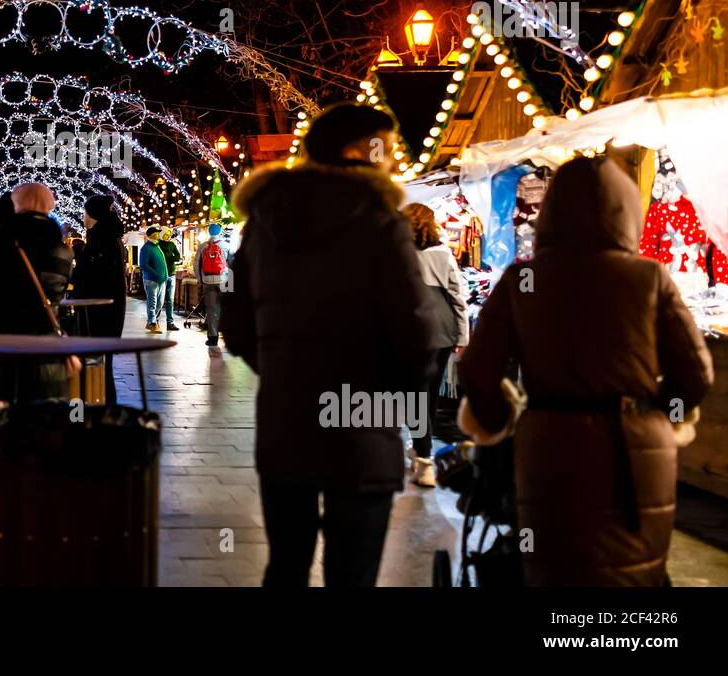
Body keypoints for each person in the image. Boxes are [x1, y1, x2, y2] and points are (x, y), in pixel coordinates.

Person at [458, 156, 713, 586]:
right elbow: (695, 375)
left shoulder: (525, 280)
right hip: (637, 454)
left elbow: (479, 370)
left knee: (554, 569)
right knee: (634, 574)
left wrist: (500, 419)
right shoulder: (648, 278)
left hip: (550, 449)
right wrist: (660, 416)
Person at [221, 103, 431, 587]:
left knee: (287, 564)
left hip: (285, 415)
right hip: (363, 417)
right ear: (356, 150)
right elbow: (414, 328)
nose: (394, 158)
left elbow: (236, 320)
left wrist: (280, 369)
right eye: (387, 145)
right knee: (352, 572)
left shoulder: (263, 221)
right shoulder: (380, 218)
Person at [0, 183, 76, 404]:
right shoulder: (64, 251)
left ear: (16, 205)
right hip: (45, 345)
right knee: (42, 422)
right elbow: (58, 294)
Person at [400, 203, 469, 488]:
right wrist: (463, 337)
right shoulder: (443, 254)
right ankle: (421, 451)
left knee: (414, 392)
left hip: (408, 328)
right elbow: (457, 296)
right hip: (441, 328)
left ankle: (424, 457)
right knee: (428, 392)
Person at [71, 194, 128, 401]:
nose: (83, 217)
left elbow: (89, 276)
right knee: (103, 364)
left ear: (92, 214)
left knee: (97, 364)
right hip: (109, 311)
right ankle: (104, 408)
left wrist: (79, 254)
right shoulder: (109, 238)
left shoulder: (101, 241)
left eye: (84, 212)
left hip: (99, 312)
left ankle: (99, 411)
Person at [193, 222, 231, 348]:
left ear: (209, 233)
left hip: (207, 282)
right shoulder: (226, 245)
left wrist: (200, 279)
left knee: (211, 309)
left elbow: (196, 264)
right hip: (224, 281)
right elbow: (232, 265)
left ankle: (213, 338)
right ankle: (227, 336)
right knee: (225, 308)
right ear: (220, 232)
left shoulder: (203, 246)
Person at [139, 227, 169, 333]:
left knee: (160, 303)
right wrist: (156, 275)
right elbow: (143, 265)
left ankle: (152, 321)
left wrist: (165, 275)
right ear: (151, 234)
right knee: (152, 302)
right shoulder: (146, 248)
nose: (158, 234)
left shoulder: (157, 246)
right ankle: (152, 322)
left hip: (162, 279)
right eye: (156, 232)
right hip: (151, 280)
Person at [157, 226, 183, 331]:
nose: (168, 236)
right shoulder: (157, 245)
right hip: (161, 275)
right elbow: (175, 257)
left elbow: (178, 257)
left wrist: (168, 258)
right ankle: (155, 321)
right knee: (159, 300)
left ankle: (170, 322)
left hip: (171, 274)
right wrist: (171, 258)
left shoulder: (172, 244)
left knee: (170, 300)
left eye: (169, 234)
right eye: (166, 234)